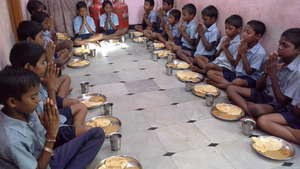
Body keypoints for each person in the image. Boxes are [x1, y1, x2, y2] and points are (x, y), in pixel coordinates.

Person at [0, 66, 105, 169]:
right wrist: (51, 136)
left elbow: (43, 135)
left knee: (92, 131)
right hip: (44, 163)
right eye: (33, 97)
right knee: (94, 135)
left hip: (48, 151)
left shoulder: (25, 111)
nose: (38, 100)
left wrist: (50, 127)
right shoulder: (11, 140)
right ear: (12, 102)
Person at [9, 42, 91, 143]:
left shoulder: (32, 78)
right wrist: (51, 88)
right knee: (91, 131)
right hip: (49, 128)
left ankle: (73, 134)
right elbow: (52, 114)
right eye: (43, 62)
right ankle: (73, 137)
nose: (46, 65)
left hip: (50, 111)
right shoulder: (26, 89)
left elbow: (57, 74)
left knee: (81, 107)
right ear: (28, 67)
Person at [226, 28, 300, 117]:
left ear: (298, 50)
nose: (279, 47)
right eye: (279, 43)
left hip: (277, 103)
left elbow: (282, 101)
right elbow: (258, 88)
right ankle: (250, 112)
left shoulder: (297, 72)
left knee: (256, 109)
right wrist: (266, 71)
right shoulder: (276, 60)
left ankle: (250, 110)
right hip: (264, 94)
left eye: (285, 46)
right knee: (231, 89)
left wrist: (273, 75)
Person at [17, 20, 72, 98]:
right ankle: (58, 101)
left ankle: (60, 97)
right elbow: (48, 78)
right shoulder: (28, 55)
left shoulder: (35, 49)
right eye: (40, 37)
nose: (43, 39)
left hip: (45, 86)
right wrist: (49, 59)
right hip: (42, 93)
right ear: (29, 39)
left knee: (66, 78)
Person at [212, 20, 267, 88]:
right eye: (244, 31)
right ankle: (230, 85)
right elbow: (235, 65)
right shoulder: (242, 44)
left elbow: (249, 72)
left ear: (258, 36)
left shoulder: (260, 52)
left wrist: (243, 54)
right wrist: (239, 53)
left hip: (248, 79)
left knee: (238, 82)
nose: (244, 34)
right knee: (211, 73)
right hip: (236, 74)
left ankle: (223, 85)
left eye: (248, 33)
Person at [205, 15, 243, 88]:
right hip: (218, 63)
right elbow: (216, 55)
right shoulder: (224, 38)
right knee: (201, 60)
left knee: (210, 70)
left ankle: (228, 85)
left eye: (230, 29)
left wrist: (225, 48)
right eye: (226, 28)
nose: (227, 31)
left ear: (238, 30)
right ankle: (221, 82)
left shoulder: (239, 44)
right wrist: (221, 48)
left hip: (227, 68)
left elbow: (234, 63)